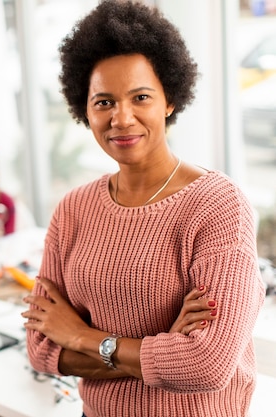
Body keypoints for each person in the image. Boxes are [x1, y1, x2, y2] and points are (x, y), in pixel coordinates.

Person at [22, 2, 265, 417]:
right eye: (103, 102)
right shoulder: (73, 210)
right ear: (86, 110)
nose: (121, 117)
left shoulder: (218, 206)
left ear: (169, 101)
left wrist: (82, 336)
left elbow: (207, 364)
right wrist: (163, 347)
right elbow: (43, 348)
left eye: (140, 97)